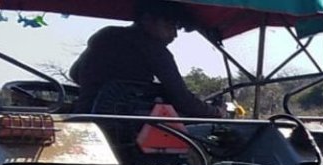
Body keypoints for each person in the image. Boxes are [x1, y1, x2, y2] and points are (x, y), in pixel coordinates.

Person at [69, 0, 223, 118]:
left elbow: (74, 74)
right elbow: (183, 100)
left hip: (82, 116)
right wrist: (216, 112)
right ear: (147, 19)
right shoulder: (154, 49)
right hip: (122, 132)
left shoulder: (106, 34)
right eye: (170, 26)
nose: (174, 35)